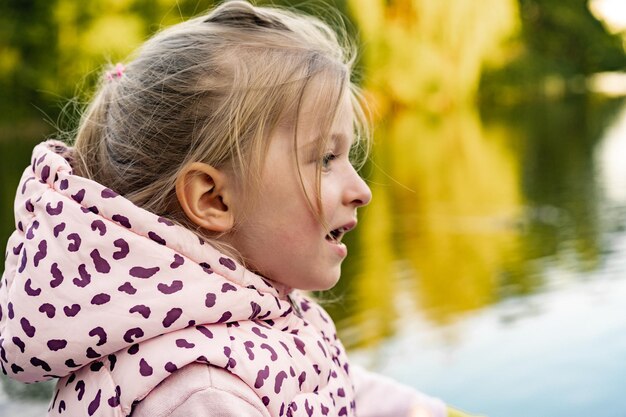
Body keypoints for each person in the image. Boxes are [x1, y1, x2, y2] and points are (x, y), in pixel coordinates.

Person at [0, 1, 483, 416]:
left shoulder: (252, 310)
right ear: (214, 199)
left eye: (348, 156)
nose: (361, 190)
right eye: (325, 159)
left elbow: (337, 386)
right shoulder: (199, 394)